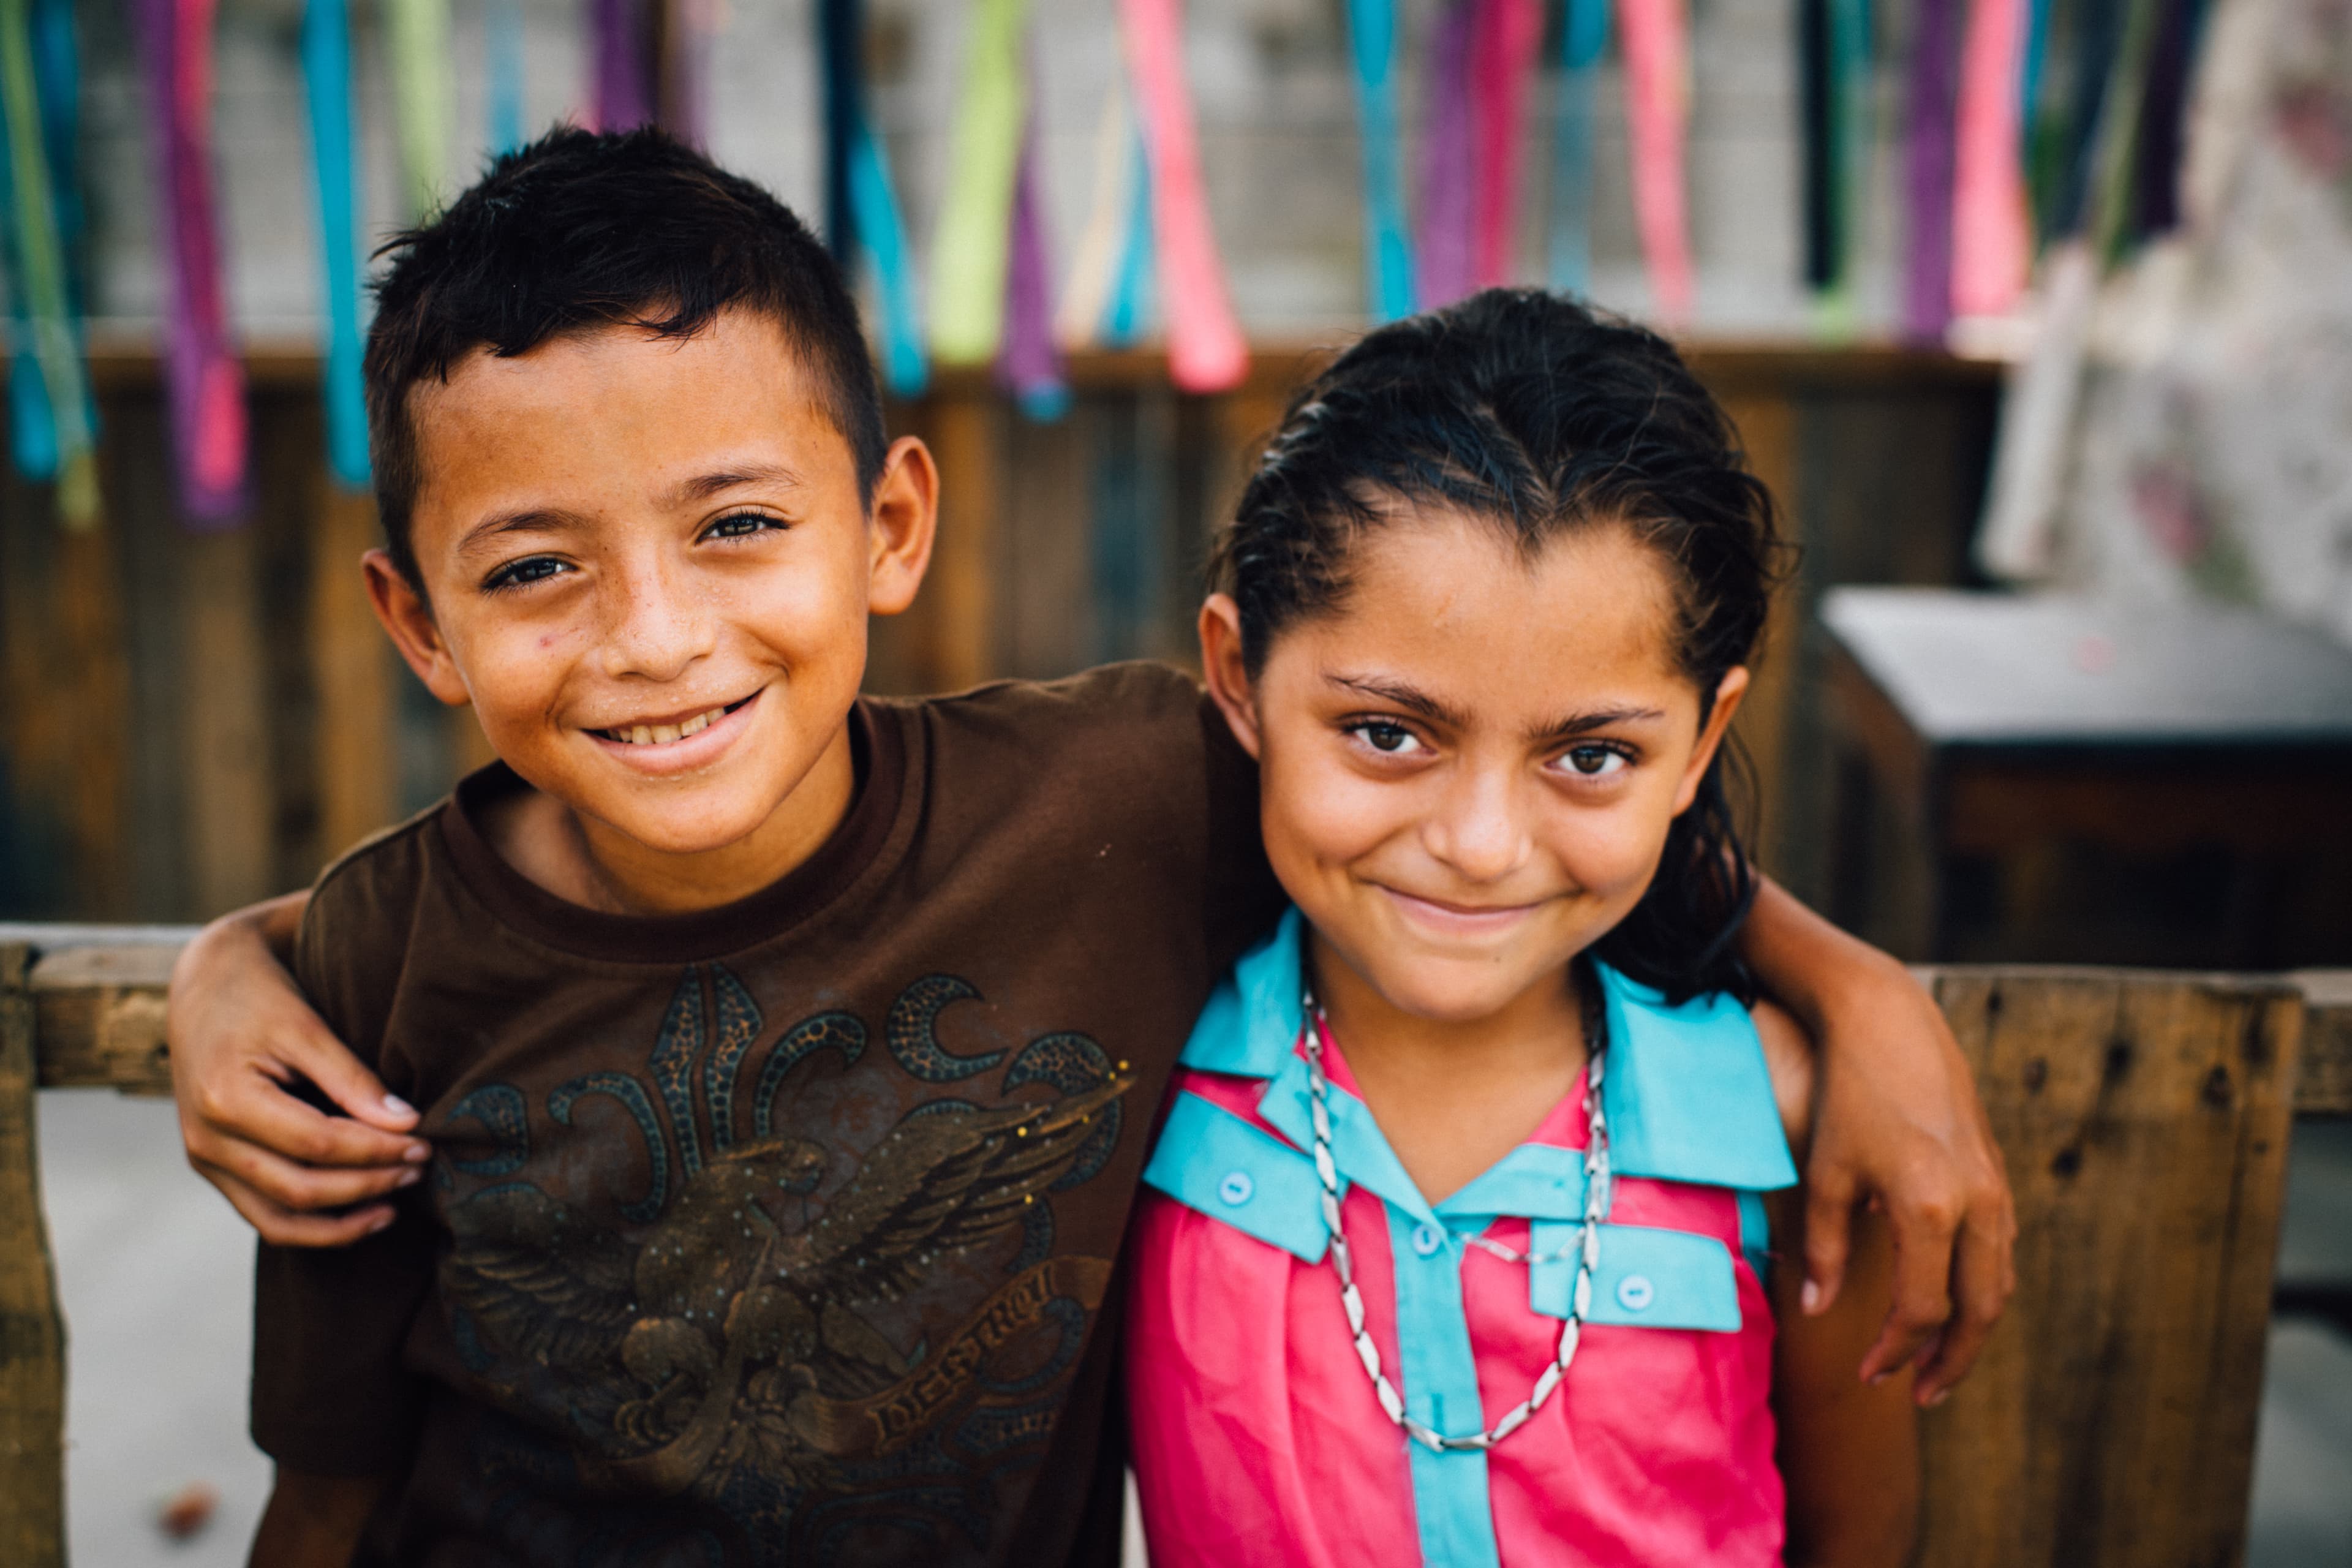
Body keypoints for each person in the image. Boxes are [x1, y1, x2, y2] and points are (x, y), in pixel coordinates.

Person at [168, 130, 2009, 1567]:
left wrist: (1871, 1006)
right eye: (536, 569)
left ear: (888, 526)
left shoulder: (1121, 803)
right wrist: (224, 968)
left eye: (735, 525)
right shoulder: (379, 963)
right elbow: (327, 1498)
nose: (654, 636)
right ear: (420, 624)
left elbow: (1515, 817)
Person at [1126, 292, 1918, 1567]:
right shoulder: (1139, 1065)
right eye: (1388, 734)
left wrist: (1871, 1005)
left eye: (1591, 753)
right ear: (1237, 678)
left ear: (1701, 743)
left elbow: (1863, 1537)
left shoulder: (1788, 1127)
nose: (1483, 841)